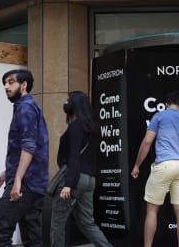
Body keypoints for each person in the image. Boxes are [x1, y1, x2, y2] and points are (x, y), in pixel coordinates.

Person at [0, 69, 49, 247]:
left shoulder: (26, 107)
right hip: (35, 184)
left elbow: (29, 147)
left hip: (25, 184)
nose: (6, 86)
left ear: (24, 85)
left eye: (11, 82)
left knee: (0, 236)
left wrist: (17, 180)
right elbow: (31, 150)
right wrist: (5, 174)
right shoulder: (30, 106)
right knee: (33, 240)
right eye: (5, 83)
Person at [131, 91, 179, 247]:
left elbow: (147, 142)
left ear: (167, 104)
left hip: (164, 164)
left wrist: (137, 165)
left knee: (152, 210)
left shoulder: (159, 116)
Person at [50, 91, 113, 247]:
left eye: (68, 100)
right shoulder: (92, 128)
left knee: (57, 222)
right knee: (87, 223)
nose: (66, 103)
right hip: (89, 179)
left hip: (74, 179)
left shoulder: (76, 126)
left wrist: (69, 184)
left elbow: (74, 157)